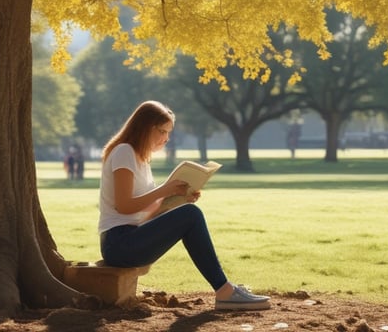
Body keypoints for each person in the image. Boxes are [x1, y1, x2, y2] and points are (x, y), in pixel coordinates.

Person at [98, 100, 270, 311]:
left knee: (189, 214)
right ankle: (225, 291)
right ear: (145, 127)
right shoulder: (124, 151)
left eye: (168, 133)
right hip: (119, 243)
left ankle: (225, 288)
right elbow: (124, 206)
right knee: (191, 214)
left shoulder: (141, 159)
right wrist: (165, 190)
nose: (166, 138)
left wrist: (177, 200)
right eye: (162, 131)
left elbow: (144, 212)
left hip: (133, 236)